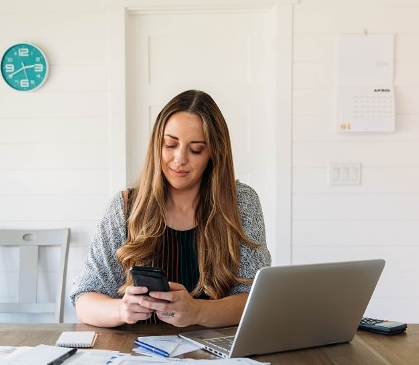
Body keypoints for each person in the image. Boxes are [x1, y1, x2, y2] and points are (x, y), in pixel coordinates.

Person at [69, 89, 271, 328]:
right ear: (157, 145)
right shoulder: (125, 207)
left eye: (196, 149)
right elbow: (84, 299)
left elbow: (255, 299)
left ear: (214, 153)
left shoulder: (242, 203)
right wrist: (121, 310)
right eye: (170, 145)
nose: (179, 159)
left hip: (216, 352)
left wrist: (197, 312)